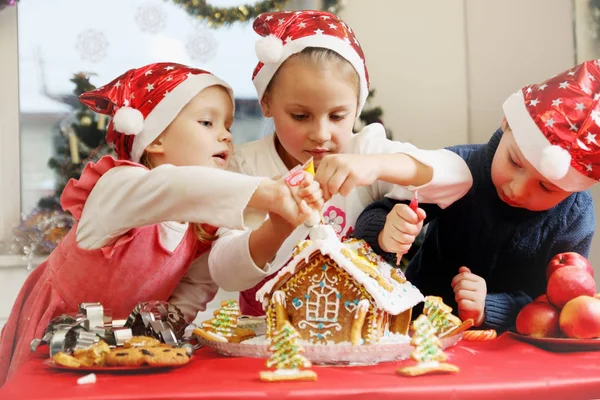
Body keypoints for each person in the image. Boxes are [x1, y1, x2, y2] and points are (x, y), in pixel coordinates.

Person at [0, 62, 323, 385]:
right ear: (154, 140)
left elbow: (193, 291)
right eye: (207, 122)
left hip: (123, 352)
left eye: (228, 125)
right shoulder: (120, 187)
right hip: (53, 339)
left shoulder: (201, 226)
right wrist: (266, 191)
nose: (225, 135)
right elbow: (172, 186)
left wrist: (164, 333)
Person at [167, 10, 472, 317]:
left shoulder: (364, 150)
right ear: (267, 103)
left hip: (360, 336)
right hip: (270, 341)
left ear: (357, 106)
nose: (321, 134)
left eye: (338, 116)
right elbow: (224, 273)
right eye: (300, 116)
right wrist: (278, 225)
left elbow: (459, 174)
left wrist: (378, 165)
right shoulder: (246, 167)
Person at [354, 60, 599, 332]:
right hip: (418, 326)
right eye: (514, 162)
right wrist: (386, 230)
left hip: (513, 348)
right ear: (507, 123)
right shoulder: (457, 166)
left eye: (546, 187)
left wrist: (489, 308)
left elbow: (558, 305)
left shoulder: (575, 215)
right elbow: (371, 217)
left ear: (573, 188)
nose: (517, 189)